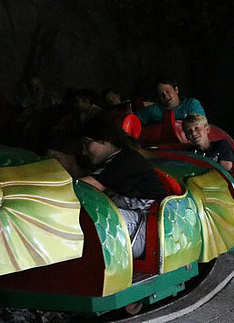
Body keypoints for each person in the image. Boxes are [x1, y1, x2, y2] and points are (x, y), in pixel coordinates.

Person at [77, 118, 166, 257]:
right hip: (137, 223)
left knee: (90, 219)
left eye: (87, 144)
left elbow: (84, 186)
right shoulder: (110, 161)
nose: (84, 152)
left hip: (147, 229)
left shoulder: (125, 160)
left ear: (105, 140)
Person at [134, 77, 205, 125]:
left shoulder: (191, 104)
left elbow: (202, 126)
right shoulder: (154, 110)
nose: (165, 96)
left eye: (167, 91)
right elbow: (132, 120)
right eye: (161, 94)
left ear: (176, 90)